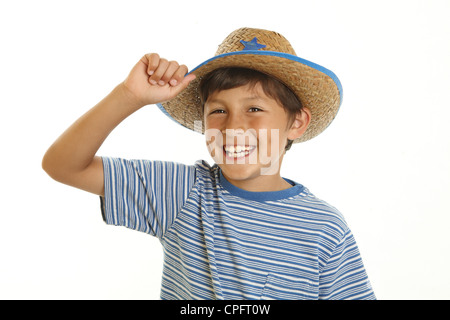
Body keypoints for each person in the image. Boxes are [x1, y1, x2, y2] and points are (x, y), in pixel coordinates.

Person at [42, 27, 375, 300]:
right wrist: (129, 95)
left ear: (296, 123)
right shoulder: (182, 192)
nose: (232, 127)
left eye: (254, 109)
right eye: (218, 111)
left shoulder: (324, 228)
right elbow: (63, 165)